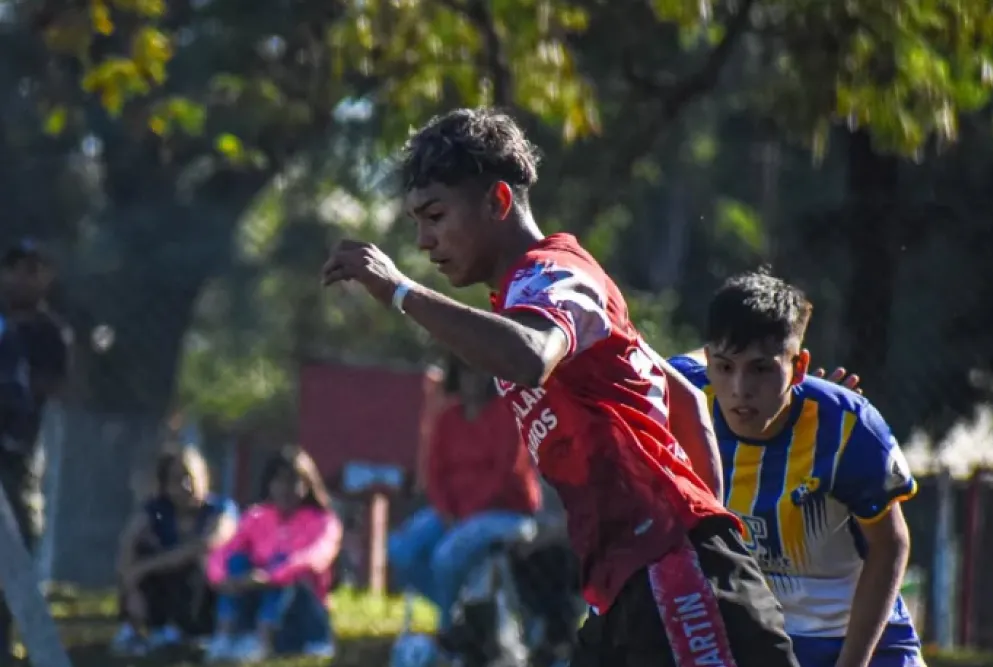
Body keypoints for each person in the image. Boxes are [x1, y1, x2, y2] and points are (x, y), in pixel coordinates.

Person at [322, 107, 798, 667]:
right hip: (628, 580)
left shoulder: (555, 275)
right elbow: (686, 399)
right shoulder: (527, 295)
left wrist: (399, 290)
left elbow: (530, 357)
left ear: (499, 202)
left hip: (670, 566)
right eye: (416, 222)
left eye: (435, 215)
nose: (424, 241)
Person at [667, 268, 924, 667]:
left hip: (857, 640)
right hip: (749, 633)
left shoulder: (847, 426)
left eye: (761, 369)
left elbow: (890, 544)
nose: (739, 389)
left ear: (799, 367)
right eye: (724, 366)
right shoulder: (683, 397)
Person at [389, 356, 542, 632]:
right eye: (465, 372)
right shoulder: (448, 418)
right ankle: (463, 613)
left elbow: (505, 474)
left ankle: (449, 632)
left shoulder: (506, 414)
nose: (472, 379)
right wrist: (447, 512)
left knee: (445, 556)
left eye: (477, 372)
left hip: (505, 513)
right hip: (454, 513)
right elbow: (435, 474)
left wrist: (464, 515)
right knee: (401, 550)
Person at [0, 239, 71, 660]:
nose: (24, 278)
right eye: (15, 268)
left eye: (33, 269)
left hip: (18, 458)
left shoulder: (46, 331)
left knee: (17, 555)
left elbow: (55, 388)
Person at [203, 446, 340, 663]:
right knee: (237, 562)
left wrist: (270, 576)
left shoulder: (324, 521)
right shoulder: (256, 518)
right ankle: (225, 635)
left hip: (300, 612)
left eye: (293, 481)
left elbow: (314, 558)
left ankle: (263, 640)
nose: (285, 489)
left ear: (307, 485)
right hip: (257, 601)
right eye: (279, 481)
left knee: (283, 566)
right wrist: (221, 578)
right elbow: (225, 550)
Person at [111, 447, 240, 656]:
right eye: (176, 479)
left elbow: (209, 543)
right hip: (164, 590)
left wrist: (146, 567)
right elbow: (128, 543)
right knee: (142, 551)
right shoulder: (156, 510)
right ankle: (139, 630)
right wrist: (131, 583)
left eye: (190, 477)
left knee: (199, 562)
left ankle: (189, 632)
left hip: (206, 595)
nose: (185, 486)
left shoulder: (221, 509)